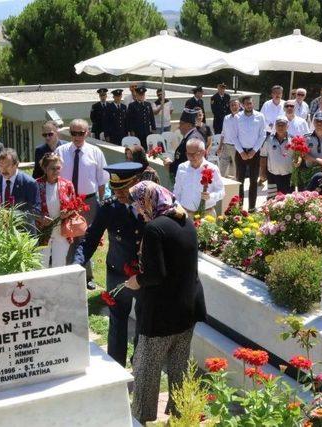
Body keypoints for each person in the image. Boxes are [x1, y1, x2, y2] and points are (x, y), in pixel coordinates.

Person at [125, 180, 206, 422]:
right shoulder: (186, 221)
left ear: (148, 200)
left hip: (161, 315)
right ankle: (181, 415)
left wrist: (135, 281)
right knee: (179, 367)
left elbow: (154, 274)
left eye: (138, 205)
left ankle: (140, 417)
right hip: (188, 309)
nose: (138, 211)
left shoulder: (154, 229)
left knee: (147, 371)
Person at [74, 162, 145, 367]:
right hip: (117, 273)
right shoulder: (109, 208)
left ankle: (139, 364)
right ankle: (117, 367)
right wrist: (77, 264)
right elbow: (90, 240)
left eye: (124, 188)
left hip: (143, 275)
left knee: (143, 321)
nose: (119, 194)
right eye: (115, 189)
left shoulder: (148, 205)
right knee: (117, 322)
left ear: (136, 183)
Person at [55, 118, 108, 290]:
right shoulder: (61, 151)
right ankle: (68, 274)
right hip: (67, 201)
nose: (77, 136)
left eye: (81, 133)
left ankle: (87, 277)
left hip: (88, 201)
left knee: (86, 239)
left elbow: (102, 181)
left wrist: (101, 204)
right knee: (68, 237)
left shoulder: (95, 152)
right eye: (73, 133)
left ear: (87, 133)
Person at [0, 148, 40, 233]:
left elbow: (35, 211)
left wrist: (10, 216)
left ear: (16, 164)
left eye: (7, 166)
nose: (3, 170)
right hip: (0, 233)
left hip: (24, 234)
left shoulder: (29, 183)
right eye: (0, 166)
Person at [35, 153, 75, 267]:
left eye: (58, 168)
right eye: (52, 168)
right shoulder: (36, 184)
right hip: (42, 231)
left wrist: (67, 213)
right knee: (41, 265)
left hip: (61, 232)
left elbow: (75, 206)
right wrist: (40, 218)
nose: (56, 171)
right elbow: (30, 208)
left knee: (60, 265)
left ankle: (58, 285)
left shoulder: (67, 184)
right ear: (44, 168)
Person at [231, 95, 267, 211]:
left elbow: (262, 135)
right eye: (246, 103)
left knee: (253, 180)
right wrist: (241, 151)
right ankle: (240, 208)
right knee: (240, 180)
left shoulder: (260, 116)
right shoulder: (237, 117)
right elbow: (233, 136)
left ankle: (252, 207)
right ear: (242, 105)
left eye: (250, 103)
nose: (249, 105)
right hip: (240, 152)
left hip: (254, 153)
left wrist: (254, 150)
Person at [173, 139, 224, 216]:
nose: (191, 157)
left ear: (203, 152)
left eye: (195, 153)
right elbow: (177, 191)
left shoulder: (212, 168)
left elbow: (221, 192)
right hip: (186, 214)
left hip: (206, 214)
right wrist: (177, 207)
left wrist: (210, 196)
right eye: (188, 154)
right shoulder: (182, 167)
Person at [259, 116, 294, 197]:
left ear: (287, 126)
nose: (280, 127)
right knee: (272, 201)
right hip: (272, 176)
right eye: (278, 125)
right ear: (275, 126)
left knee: (287, 201)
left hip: (288, 176)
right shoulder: (269, 139)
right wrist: (262, 172)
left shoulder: (293, 140)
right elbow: (263, 156)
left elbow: (297, 156)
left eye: (283, 125)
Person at [163, 109, 203, 179]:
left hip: (189, 178)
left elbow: (191, 161)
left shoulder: (192, 139)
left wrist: (170, 166)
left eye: (181, 124)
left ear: (188, 125)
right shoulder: (190, 136)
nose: (179, 126)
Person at [216, 99, 240, 178]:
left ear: (239, 106)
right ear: (230, 107)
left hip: (236, 146)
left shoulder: (242, 118)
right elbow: (223, 133)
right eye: (232, 105)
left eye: (235, 105)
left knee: (237, 167)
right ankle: (220, 182)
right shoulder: (226, 118)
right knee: (222, 166)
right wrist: (220, 146)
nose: (234, 107)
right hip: (226, 145)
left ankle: (237, 186)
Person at [126, 86, 156, 150]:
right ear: (136, 95)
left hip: (147, 130)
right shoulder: (132, 105)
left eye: (143, 94)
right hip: (137, 131)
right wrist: (131, 130)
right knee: (138, 148)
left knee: (147, 147)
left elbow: (151, 117)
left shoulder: (148, 104)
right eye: (140, 94)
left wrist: (153, 128)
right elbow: (129, 119)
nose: (141, 96)